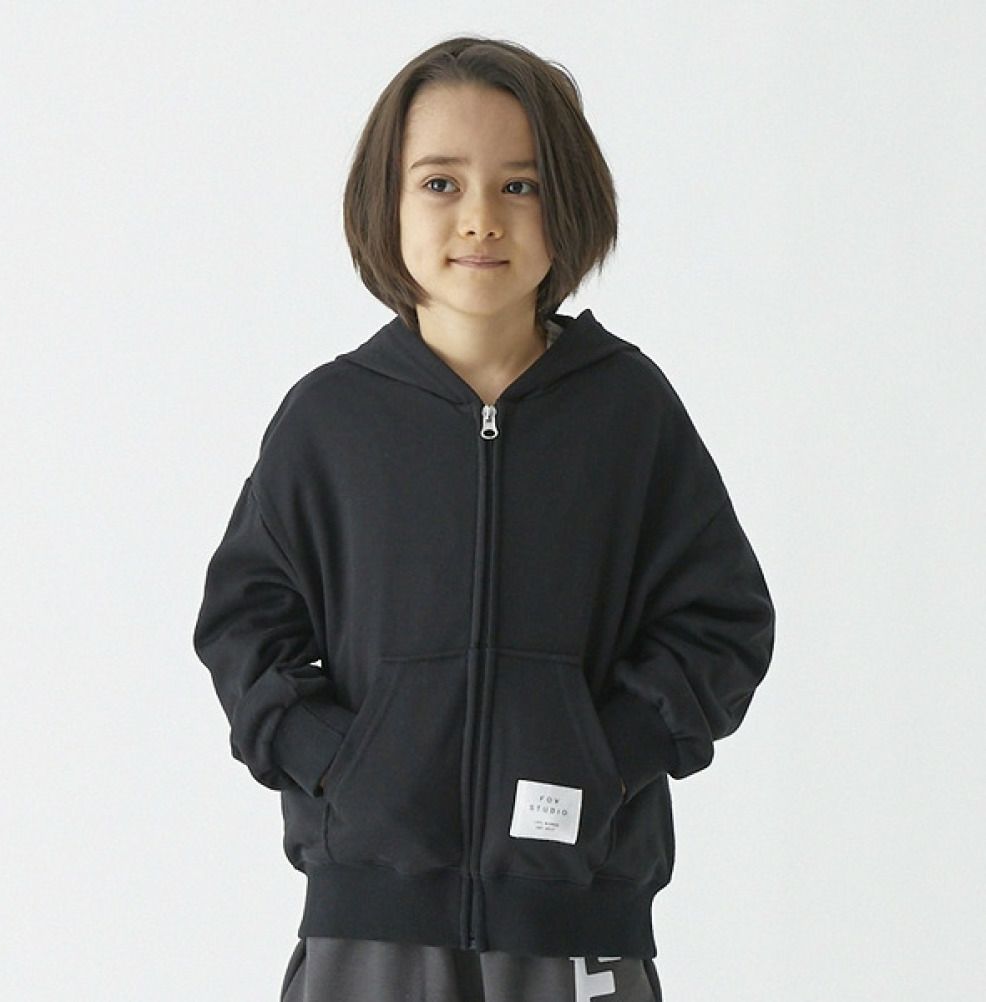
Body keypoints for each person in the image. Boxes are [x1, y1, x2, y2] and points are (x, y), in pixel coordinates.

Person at [192, 34, 776, 1002]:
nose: (480, 218)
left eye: (519, 185)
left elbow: (723, 622)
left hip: (574, 921)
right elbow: (244, 626)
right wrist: (337, 765)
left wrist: (605, 762)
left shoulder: (628, 413)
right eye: (440, 183)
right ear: (386, 202)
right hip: (369, 930)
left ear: (569, 202)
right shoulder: (331, 421)